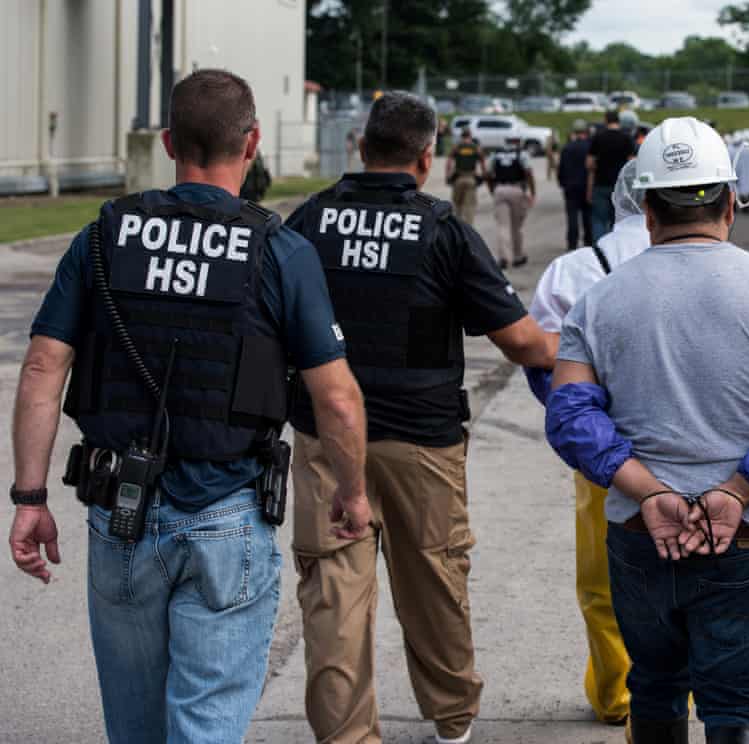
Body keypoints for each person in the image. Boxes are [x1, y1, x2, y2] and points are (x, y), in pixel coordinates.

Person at [7, 68, 372, 744]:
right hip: (225, 515)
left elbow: (41, 368)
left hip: (119, 513)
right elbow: (338, 399)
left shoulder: (102, 237)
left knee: (136, 730)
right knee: (204, 728)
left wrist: (30, 497)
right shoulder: (281, 251)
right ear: (253, 142)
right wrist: (352, 491)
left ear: (171, 141)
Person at [546, 117, 749, 744]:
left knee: (653, 687)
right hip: (744, 536)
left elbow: (570, 415)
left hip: (636, 533)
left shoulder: (598, 302)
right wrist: (737, 489)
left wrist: (648, 491)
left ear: (646, 209)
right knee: (737, 705)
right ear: (730, 202)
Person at [285, 93, 558, 744]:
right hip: (422, 439)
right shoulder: (442, 230)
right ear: (427, 158)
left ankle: (347, 736)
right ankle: (453, 718)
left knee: (333, 595)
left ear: (360, 148)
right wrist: (579, 350)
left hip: (327, 438)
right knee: (434, 581)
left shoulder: (307, 223)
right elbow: (521, 342)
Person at [527, 161, 650, 727]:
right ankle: (679, 690)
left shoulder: (572, 270)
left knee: (604, 584)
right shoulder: (719, 269)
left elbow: (542, 367)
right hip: (698, 454)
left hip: (603, 456)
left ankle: (616, 694)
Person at [487, 134, 536, 269]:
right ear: (518, 141)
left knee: (503, 226)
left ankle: (503, 258)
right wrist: (532, 192)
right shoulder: (522, 154)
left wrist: (492, 189)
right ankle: (517, 256)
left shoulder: (495, 154)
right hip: (516, 189)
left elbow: (488, 173)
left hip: (500, 189)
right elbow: (528, 172)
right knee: (516, 226)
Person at [587, 109, 636, 241]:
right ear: (618, 121)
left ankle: (600, 252)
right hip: (620, 187)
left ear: (605, 120)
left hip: (600, 184)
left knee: (599, 220)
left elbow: (589, 163)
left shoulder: (597, 137)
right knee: (618, 221)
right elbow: (632, 165)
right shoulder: (626, 138)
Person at [558, 119, 594, 252]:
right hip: (586, 186)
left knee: (572, 217)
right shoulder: (590, 146)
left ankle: (572, 243)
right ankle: (588, 242)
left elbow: (561, 169)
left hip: (570, 186)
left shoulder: (567, 148)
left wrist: (562, 183)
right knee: (587, 216)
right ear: (586, 131)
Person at [445, 128, 485, 226]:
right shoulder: (475, 147)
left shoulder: (457, 147)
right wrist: (483, 175)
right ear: (470, 136)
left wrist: (448, 176)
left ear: (462, 136)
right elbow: (483, 162)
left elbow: (449, 162)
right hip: (471, 179)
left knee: (457, 206)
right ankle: (468, 230)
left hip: (458, 179)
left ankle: (457, 228)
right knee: (470, 208)